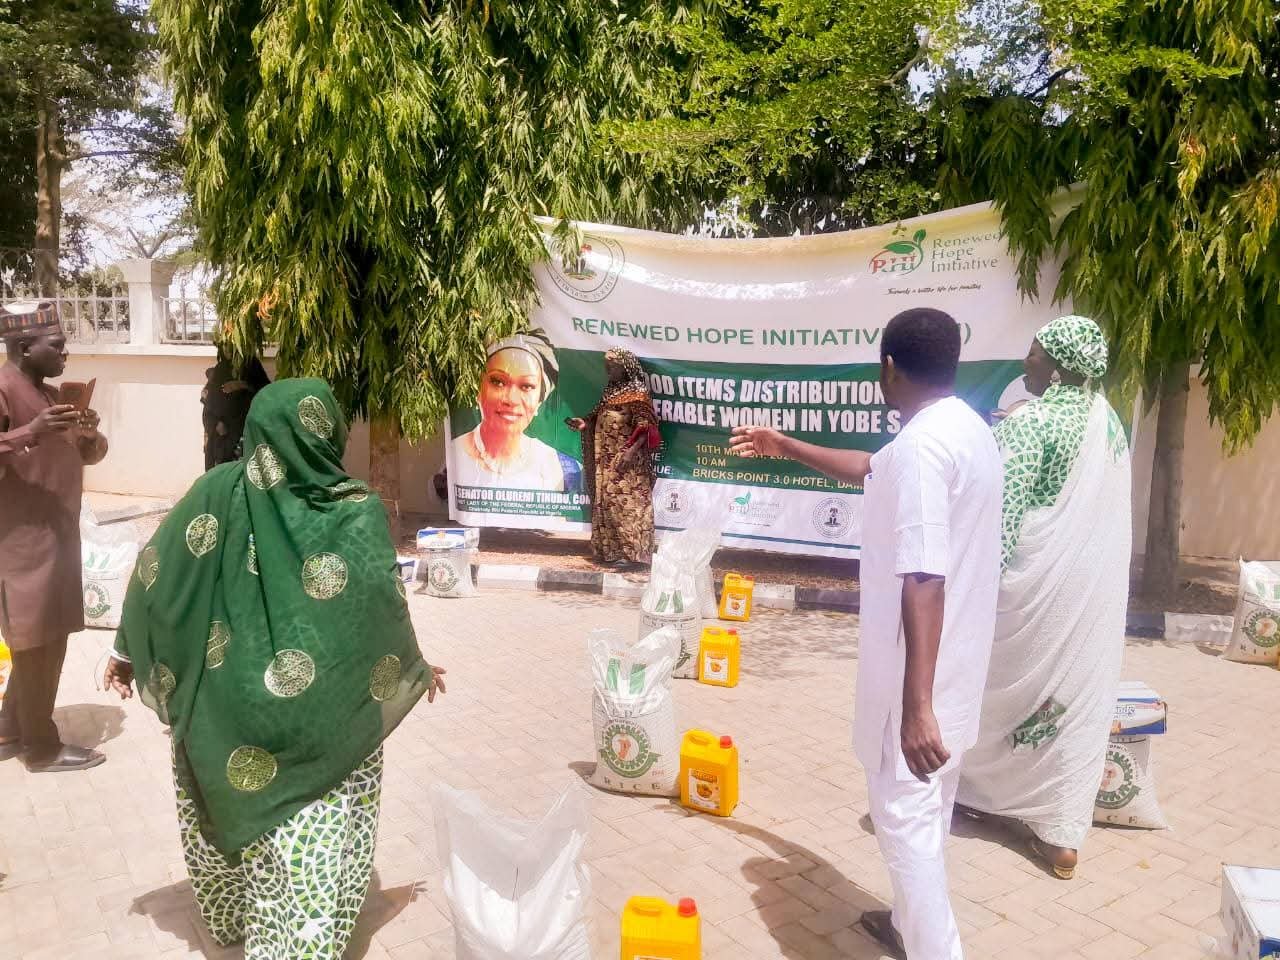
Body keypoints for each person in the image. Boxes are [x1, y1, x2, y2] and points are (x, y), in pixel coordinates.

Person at [102, 378, 447, 959]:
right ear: (327, 433)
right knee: (311, 846)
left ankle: (232, 921)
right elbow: (378, 607)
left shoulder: (215, 490)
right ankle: (301, 944)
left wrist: (124, 651)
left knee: (230, 822)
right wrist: (413, 668)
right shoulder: (353, 509)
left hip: (227, 707)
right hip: (324, 718)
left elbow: (157, 574)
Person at [730, 308, 1002, 960]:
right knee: (928, 814)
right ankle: (909, 928)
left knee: (903, 821)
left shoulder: (921, 450)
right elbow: (866, 467)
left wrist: (916, 708)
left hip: (918, 686)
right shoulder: (962, 430)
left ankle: (935, 948)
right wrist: (786, 445)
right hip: (958, 672)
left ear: (889, 369)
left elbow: (925, 577)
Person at [956, 315, 1131, 881]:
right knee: (1072, 700)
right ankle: (1060, 834)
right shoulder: (1110, 423)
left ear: (1056, 367)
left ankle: (983, 794)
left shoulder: (1030, 427)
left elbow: (998, 525)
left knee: (995, 689)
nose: (1025, 361)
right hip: (1090, 597)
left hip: (1034, 597)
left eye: (1033, 353)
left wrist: (969, 595)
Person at [0, 300, 109, 772]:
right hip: (22, 541)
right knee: (39, 642)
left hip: (56, 538)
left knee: (41, 640)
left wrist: (88, 437)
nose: (66, 355)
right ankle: (41, 748)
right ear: (26, 347)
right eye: (57, 346)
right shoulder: (5, 389)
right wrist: (29, 430)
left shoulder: (47, 395)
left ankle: (8, 729)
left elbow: (84, 457)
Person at [567, 347, 661, 567]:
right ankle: (611, 552)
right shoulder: (611, 390)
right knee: (607, 502)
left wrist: (631, 451)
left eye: (614, 367)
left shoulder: (637, 392)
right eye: (607, 367)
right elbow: (597, 417)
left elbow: (648, 427)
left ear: (626, 368)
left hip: (627, 461)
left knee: (627, 506)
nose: (609, 371)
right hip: (606, 460)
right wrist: (584, 424)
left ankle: (634, 554)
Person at [452, 331, 581, 492]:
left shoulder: (563, 467)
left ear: (540, 401)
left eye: (526, 386)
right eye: (498, 382)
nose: (511, 399)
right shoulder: (454, 456)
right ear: (478, 391)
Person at [202, 342, 271, 470]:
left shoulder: (252, 366)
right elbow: (209, 403)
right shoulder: (221, 368)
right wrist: (216, 424)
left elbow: (265, 392)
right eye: (224, 346)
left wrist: (242, 385)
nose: (227, 349)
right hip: (223, 432)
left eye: (230, 346)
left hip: (247, 429)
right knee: (223, 472)